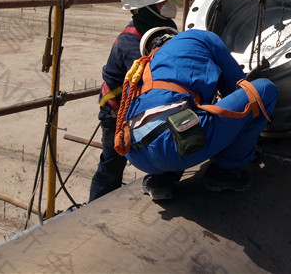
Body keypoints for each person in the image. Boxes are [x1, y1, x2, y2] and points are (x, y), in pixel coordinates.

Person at [114, 27, 277, 200]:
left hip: (136, 156)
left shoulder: (144, 67)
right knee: (263, 89)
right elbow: (236, 85)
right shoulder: (200, 37)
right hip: (173, 148)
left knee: (177, 115)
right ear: (174, 36)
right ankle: (224, 172)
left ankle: (161, 180)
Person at [88, 0, 179, 202]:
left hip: (139, 102)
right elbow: (149, 80)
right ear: (146, 9)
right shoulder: (131, 42)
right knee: (113, 161)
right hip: (117, 109)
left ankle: (160, 182)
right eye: (161, 2)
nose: (168, 5)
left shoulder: (162, 28)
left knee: (165, 142)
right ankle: (97, 204)